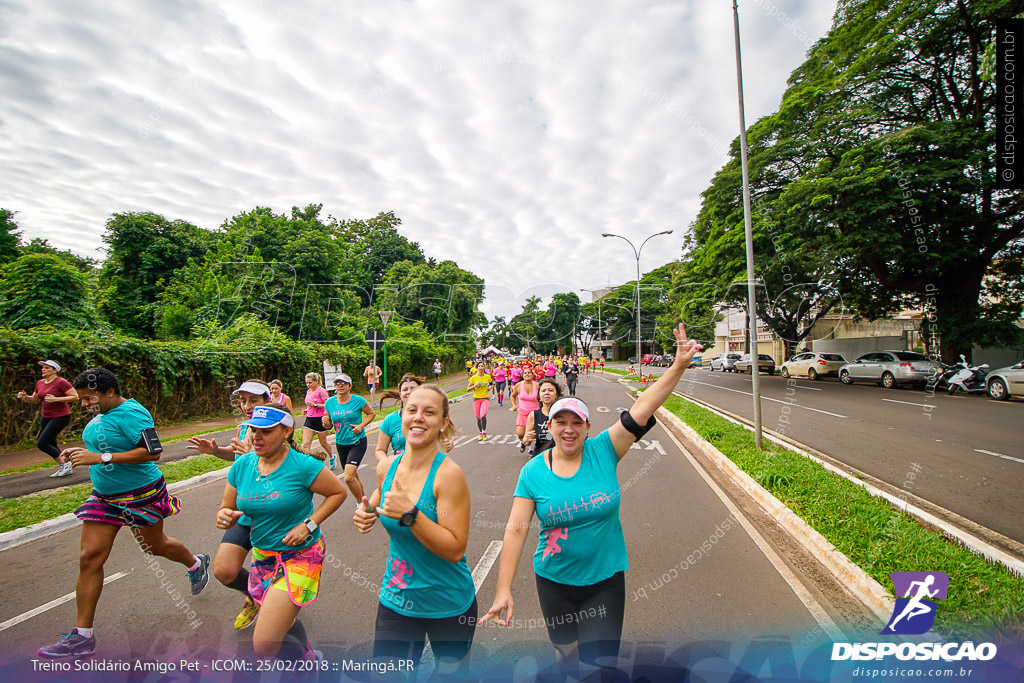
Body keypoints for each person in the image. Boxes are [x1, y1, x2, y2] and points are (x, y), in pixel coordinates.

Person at [480, 323, 703, 676]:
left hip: (605, 580)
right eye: (560, 422)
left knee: (599, 666)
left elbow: (642, 407)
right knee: (568, 657)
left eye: (576, 422)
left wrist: (677, 365)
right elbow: (516, 531)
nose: (568, 429)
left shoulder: (605, 450)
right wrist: (502, 589)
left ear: (587, 427)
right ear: (548, 427)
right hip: (554, 582)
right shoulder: (533, 472)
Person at [38, 368, 210, 658]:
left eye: (88, 398)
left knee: (156, 547)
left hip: (140, 494)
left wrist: (101, 456)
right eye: (80, 400)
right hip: (105, 497)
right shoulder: (102, 415)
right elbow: (103, 445)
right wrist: (81, 453)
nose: (83, 405)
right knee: (89, 557)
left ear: (109, 392)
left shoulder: (133, 414)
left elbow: (153, 452)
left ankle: (195, 563)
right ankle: (82, 636)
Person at [353, 384, 476, 676]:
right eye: (412, 410)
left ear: (443, 422)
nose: (418, 417)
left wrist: (411, 515)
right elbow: (380, 496)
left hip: (447, 603)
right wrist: (365, 511)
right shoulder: (388, 468)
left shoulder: (448, 475)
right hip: (395, 598)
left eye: (429, 412)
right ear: (402, 416)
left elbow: (455, 548)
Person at [217, 404, 346, 661]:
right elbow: (227, 507)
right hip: (263, 557)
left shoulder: (304, 466)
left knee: (264, 646)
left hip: (301, 557)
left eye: (265, 430)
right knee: (280, 624)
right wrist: (225, 516)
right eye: (254, 429)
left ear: (287, 431)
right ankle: (307, 660)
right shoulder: (243, 465)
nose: (256, 436)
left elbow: (338, 493)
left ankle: (304, 663)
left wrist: (308, 524)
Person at [186, 380, 273, 630]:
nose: (246, 406)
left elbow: (281, 471)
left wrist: (251, 457)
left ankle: (278, 603)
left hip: (273, 515)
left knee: (277, 577)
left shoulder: (278, 429)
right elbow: (237, 457)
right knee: (225, 571)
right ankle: (257, 596)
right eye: (243, 401)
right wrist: (216, 451)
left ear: (268, 401)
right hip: (244, 513)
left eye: (253, 400)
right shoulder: (243, 428)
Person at [17, 360, 79, 478]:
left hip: (61, 416)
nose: (43, 370)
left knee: (42, 443)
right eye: (43, 368)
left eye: (46, 368)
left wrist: (56, 399)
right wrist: (25, 397)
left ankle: (64, 464)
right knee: (51, 443)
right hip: (46, 416)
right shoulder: (40, 383)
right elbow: (35, 399)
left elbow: (75, 397)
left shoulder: (61, 382)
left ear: (55, 370)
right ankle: (64, 466)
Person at [322, 375, 375, 505]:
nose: (340, 385)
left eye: (343, 383)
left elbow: (371, 414)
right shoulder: (330, 403)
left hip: (357, 442)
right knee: (353, 475)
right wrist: (326, 422)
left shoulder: (358, 400)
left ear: (350, 386)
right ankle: (364, 500)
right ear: (334, 387)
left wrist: (361, 426)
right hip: (341, 443)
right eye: (337, 383)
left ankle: (360, 504)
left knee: (348, 477)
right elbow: (328, 425)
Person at [523, 378, 562, 458]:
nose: (547, 393)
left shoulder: (562, 414)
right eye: (543, 391)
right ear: (539, 395)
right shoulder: (534, 415)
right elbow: (526, 442)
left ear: (556, 395)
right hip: (540, 457)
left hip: (560, 458)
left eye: (550, 390)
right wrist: (527, 438)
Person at [301, 373, 334, 464]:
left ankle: (331, 456)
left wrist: (315, 405)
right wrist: (307, 410)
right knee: (306, 444)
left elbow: (328, 405)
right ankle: (307, 464)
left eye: (310, 382)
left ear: (316, 381)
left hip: (320, 419)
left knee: (323, 443)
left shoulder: (321, 391)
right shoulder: (308, 391)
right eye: (306, 383)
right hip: (310, 419)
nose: (308, 385)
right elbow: (310, 405)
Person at [511, 366, 539, 452]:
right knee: (520, 434)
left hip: (534, 413)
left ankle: (531, 449)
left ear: (532, 374)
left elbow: (542, 397)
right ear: (522, 375)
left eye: (529, 373)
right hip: (522, 413)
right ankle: (522, 442)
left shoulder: (537, 385)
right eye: (525, 373)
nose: (527, 374)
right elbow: (513, 396)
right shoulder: (519, 385)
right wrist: (514, 405)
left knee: (532, 433)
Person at [467, 361, 493, 441]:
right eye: (479, 366)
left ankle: (484, 432)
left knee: (483, 415)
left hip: (485, 398)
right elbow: (468, 389)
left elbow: (492, 384)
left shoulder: (487, 377)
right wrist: (475, 385)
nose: (481, 368)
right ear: (477, 368)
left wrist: (490, 388)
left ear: (484, 367)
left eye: (482, 366)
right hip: (476, 399)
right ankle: (480, 432)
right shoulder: (473, 378)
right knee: (478, 417)